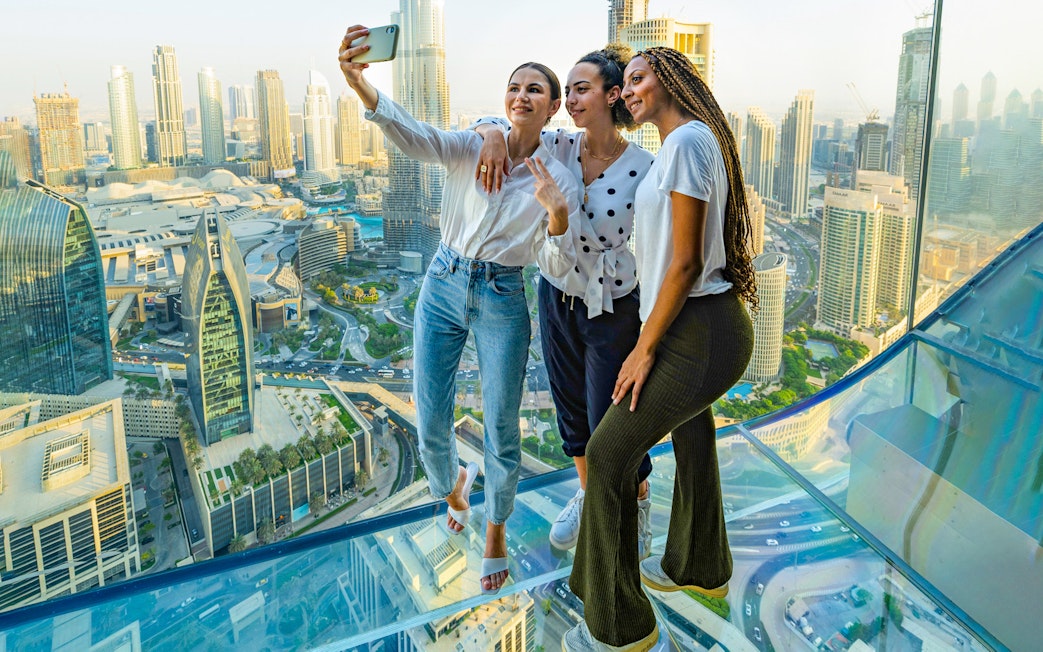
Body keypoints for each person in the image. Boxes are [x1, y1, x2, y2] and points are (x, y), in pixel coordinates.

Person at [338, 25, 581, 595]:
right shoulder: (475, 144)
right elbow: (413, 136)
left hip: (503, 295)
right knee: (430, 415)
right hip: (443, 281)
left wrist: (557, 217)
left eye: (535, 91)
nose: (521, 96)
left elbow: (555, 263)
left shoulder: (560, 178)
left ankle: (495, 528)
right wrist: (358, 84)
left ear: (552, 109)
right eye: (514, 88)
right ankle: (453, 489)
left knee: (501, 424)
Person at [563, 46, 758, 651]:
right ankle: (697, 567)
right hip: (692, 325)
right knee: (693, 436)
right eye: (625, 84)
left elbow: (686, 262)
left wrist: (643, 349)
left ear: (671, 80)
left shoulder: (685, 143)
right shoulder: (686, 143)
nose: (628, 91)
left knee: (609, 450)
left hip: (699, 330)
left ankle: (622, 626)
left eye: (639, 78)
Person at [471, 45, 656, 555]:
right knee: (571, 412)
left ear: (612, 95)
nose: (571, 99)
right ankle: (586, 492)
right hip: (556, 296)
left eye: (581, 89)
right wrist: (489, 133)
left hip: (612, 305)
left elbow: (663, 241)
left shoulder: (645, 167)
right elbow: (508, 119)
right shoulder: (558, 144)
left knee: (611, 419)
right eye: (568, 90)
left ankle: (637, 498)